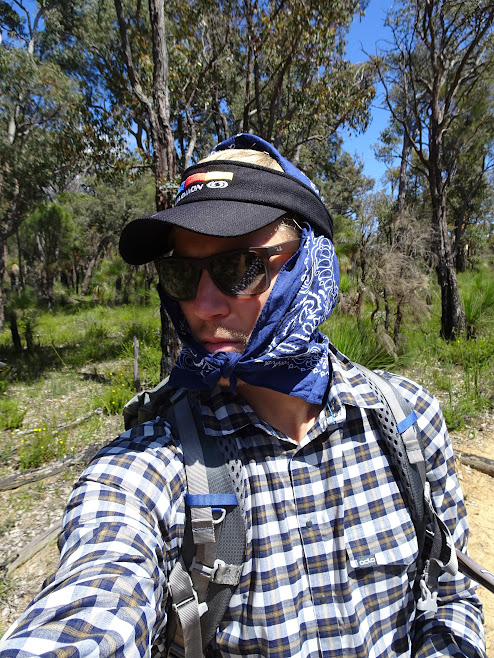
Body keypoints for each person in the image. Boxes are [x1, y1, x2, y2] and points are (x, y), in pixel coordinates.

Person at [0, 134, 486, 657]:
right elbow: (97, 591)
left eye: (240, 268)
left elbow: (447, 594)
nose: (204, 305)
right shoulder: (155, 461)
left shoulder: (407, 420)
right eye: (183, 274)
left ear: (312, 263)